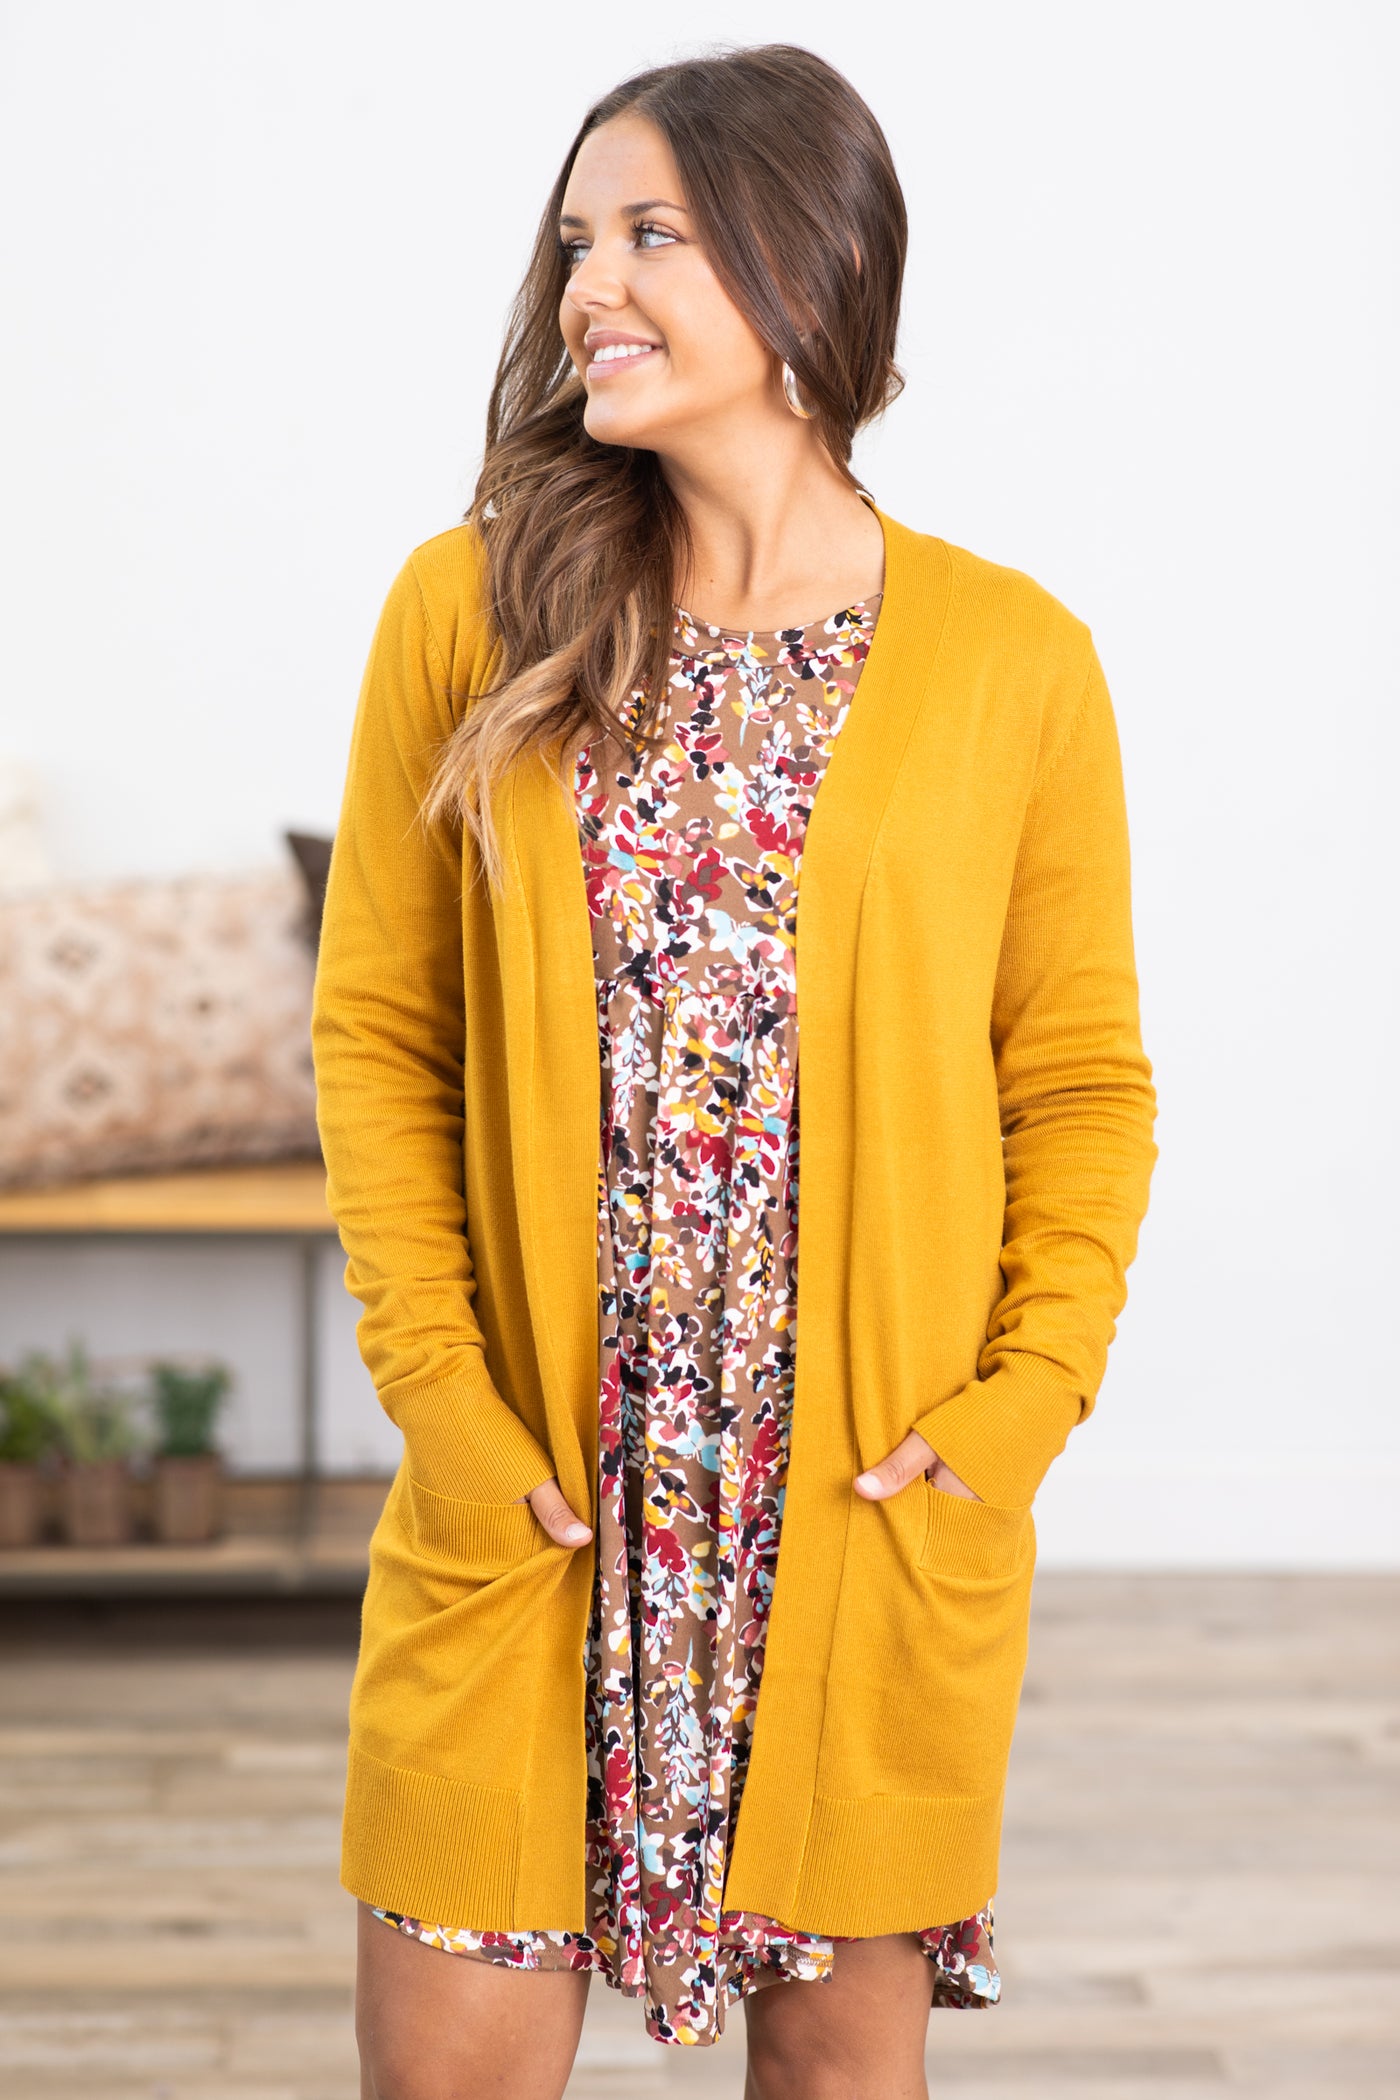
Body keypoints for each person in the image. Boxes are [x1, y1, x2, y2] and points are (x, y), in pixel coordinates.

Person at [311, 42, 1158, 2100]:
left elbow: (1078, 1084)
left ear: (806, 272)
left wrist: (1016, 1413)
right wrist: (441, 1400)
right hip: (535, 1499)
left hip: (854, 1507)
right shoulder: (471, 605)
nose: (589, 283)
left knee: (839, 2078)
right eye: (575, 239)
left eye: (652, 234)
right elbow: (383, 1036)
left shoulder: (1013, 660)